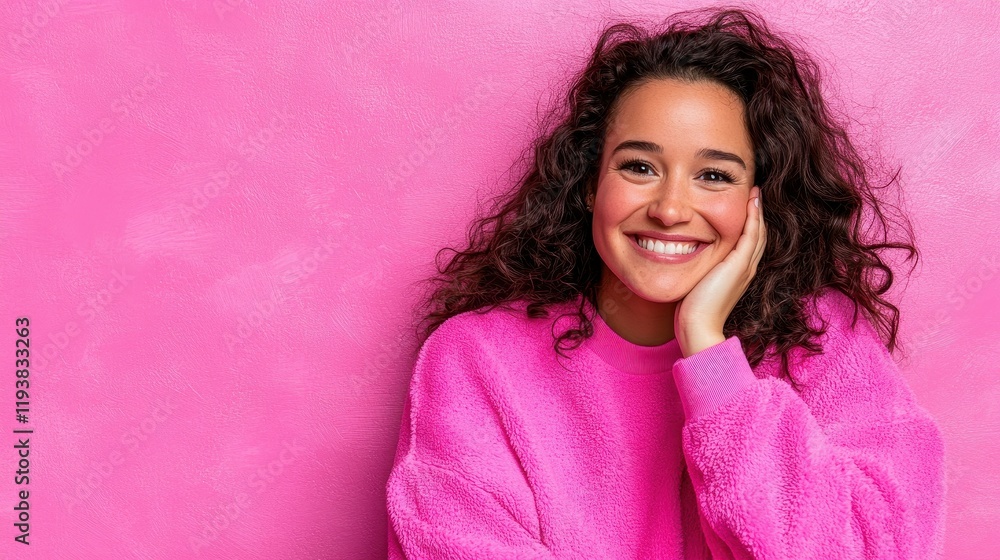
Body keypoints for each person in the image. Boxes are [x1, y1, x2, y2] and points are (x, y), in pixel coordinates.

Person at [386, 6, 946, 559]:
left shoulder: (822, 343)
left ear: (761, 201)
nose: (671, 209)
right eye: (639, 167)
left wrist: (710, 355)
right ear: (590, 183)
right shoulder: (476, 358)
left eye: (714, 176)